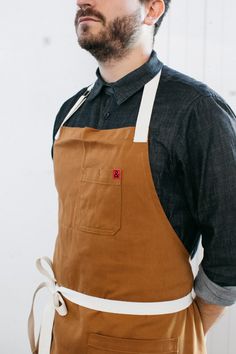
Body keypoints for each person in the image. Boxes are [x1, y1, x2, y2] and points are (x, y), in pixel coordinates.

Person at [28, 1, 236, 353]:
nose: (82, 0)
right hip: (64, 336)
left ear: (152, 9)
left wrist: (181, 328)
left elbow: (230, 251)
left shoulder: (197, 111)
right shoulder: (70, 113)